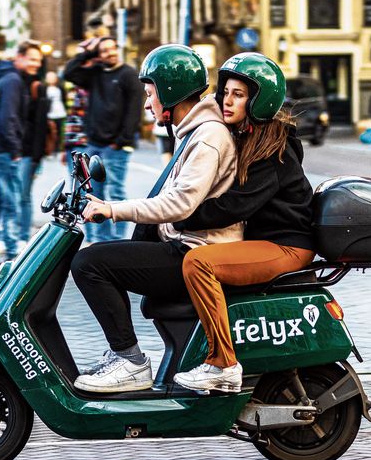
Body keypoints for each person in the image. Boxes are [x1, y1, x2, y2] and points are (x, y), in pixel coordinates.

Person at [71, 44, 239, 393]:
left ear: (171, 93)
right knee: (106, 258)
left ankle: (130, 362)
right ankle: (126, 357)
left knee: (90, 264)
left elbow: (181, 204)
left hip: (194, 253)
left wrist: (112, 208)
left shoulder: (208, 137)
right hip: (184, 246)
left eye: (151, 94)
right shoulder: (196, 131)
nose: (147, 104)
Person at [170, 53, 316, 394]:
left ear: (259, 99)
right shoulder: (246, 137)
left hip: (288, 246)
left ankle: (223, 364)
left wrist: (182, 215)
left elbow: (235, 205)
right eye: (225, 92)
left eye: (238, 94)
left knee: (199, 263)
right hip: (269, 241)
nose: (226, 100)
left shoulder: (273, 149)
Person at [61, 36, 144, 243]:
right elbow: (69, 73)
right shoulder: (95, 74)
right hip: (94, 143)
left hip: (115, 145)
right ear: (99, 55)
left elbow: (134, 110)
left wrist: (122, 140)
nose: (110, 53)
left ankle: (116, 240)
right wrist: (89, 53)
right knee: (93, 193)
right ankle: (98, 240)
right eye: (104, 50)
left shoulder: (128, 75)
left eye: (113, 48)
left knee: (115, 191)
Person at [0, 41, 44, 270]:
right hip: (3, 149)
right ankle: (13, 255)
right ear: (20, 57)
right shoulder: (13, 81)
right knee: (12, 200)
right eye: (32, 59)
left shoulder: (9, 79)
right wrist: (15, 149)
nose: (36, 64)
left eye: (39, 60)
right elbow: (9, 118)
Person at [14, 62, 52, 241]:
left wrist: (37, 155)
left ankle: (22, 236)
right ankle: (18, 234)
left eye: (37, 60)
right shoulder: (17, 85)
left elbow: (40, 124)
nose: (33, 64)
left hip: (28, 151)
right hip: (18, 150)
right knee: (18, 194)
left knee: (23, 194)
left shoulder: (37, 87)